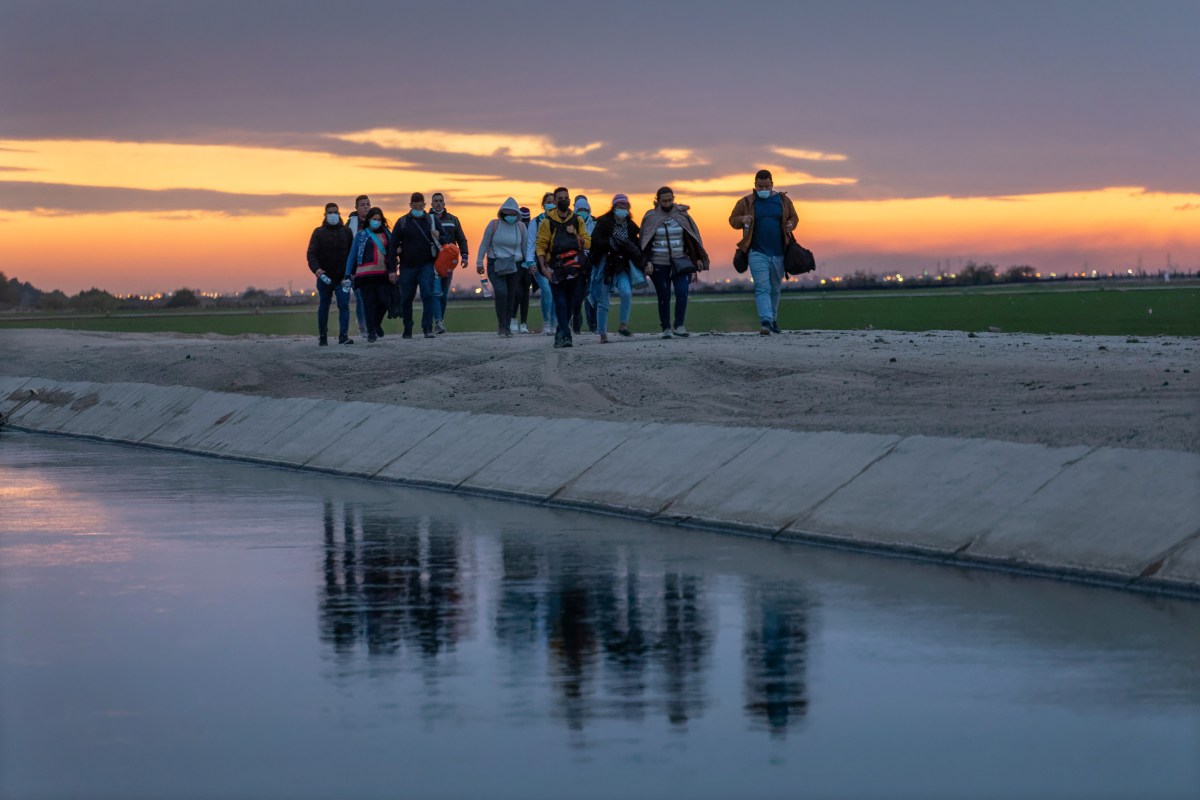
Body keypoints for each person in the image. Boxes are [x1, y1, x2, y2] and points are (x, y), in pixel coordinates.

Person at [728, 169, 799, 334]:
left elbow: (794, 218)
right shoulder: (746, 202)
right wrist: (742, 219)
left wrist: (790, 224)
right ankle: (765, 321)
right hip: (756, 251)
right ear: (755, 185)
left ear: (772, 184)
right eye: (760, 186)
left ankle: (773, 319)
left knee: (775, 288)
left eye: (766, 186)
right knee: (762, 286)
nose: (763, 189)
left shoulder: (783, 200)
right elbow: (732, 220)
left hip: (779, 252)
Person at [640, 186, 708, 339]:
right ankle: (666, 328)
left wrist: (697, 258)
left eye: (670, 200)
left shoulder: (682, 215)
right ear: (657, 201)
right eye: (664, 201)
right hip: (658, 263)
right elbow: (644, 242)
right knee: (663, 296)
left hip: (681, 262)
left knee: (682, 293)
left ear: (673, 199)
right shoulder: (650, 217)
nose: (667, 203)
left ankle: (680, 325)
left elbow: (692, 238)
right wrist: (646, 262)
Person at [535, 186, 591, 348]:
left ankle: (561, 331)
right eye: (560, 198)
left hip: (576, 268)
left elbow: (587, 242)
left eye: (566, 197)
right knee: (560, 302)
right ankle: (566, 336)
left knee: (573, 303)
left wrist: (575, 234)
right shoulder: (547, 222)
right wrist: (543, 268)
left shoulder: (577, 221)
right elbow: (541, 246)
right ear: (555, 201)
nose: (563, 201)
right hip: (556, 268)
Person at [587, 194, 642, 343]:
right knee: (603, 301)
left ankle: (623, 325)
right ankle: (602, 334)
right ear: (614, 207)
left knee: (626, 292)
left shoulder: (630, 226)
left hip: (622, 265)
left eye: (625, 205)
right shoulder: (603, 222)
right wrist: (611, 243)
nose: (622, 208)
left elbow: (637, 246)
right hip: (605, 265)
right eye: (619, 205)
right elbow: (595, 241)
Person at [387, 192, 441, 339]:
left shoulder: (432, 220)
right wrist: (392, 269)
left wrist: (438, 235)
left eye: (420, 205)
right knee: (406, 298)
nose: (418, 207)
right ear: (410, 205)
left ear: (424, 205)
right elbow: (392, 247)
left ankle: (427, 328)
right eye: (415, 205)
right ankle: (408, 327)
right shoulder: (402, 222)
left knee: (428, 295)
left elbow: (446, 239)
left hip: (426, 265)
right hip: (407, 267)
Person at [476, 197, 528, 337]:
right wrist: (479, 262)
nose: (510, 216)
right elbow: (484, 244)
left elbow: (525, 247)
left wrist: (529, 263)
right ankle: (502, 325)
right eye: (507, 213)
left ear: (517, 214)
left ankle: (507, 327)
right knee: (501, 292)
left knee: (511, 295)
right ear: (502, 212)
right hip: (496, 263)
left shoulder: (521, 227)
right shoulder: (494, 225)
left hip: (515, 265)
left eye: (513, 214)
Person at [306, 202, 355, 346]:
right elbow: (311, 254)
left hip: (342, 278)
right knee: (324, 306)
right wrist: (316, 269)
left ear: (339, 213)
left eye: (336, 212)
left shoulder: (346, 232)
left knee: (344, 306)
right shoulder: (318, 232)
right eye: (330, 212)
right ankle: (323, 337)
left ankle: (343, 336)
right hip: (324, 277)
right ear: (325, 214)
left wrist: (351, 273)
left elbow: (352, 254)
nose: (333, 215)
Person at [345, 206, 395, 343]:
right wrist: (347, 273)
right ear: (369, 220)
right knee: (369, 304)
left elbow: (392, 252)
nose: (376, 221)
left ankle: (376, 323)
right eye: (374, 219)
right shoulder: (361, 235)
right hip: (365, 275)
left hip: (383, 274)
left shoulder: (387, 234)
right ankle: (371, 333)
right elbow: (352, 255)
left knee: (385, 301)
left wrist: (393, 270)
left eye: (379, 219)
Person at [429, 192, 469, 334]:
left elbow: (461, 238)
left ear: (444, 204)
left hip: (448, 263)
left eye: (440, 201)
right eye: (436, 201)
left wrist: (465, 255)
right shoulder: (427, 219)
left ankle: (441, 319)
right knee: (436, 293)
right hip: (432, 261)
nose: (438, 203)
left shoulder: (453, 219)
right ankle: (438, 321)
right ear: (431, 204)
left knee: (444, 294)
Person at [524, 192, 558, 335]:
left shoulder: (562, 220)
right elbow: (530, 243)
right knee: (547, 290)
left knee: (556, 293)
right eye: (548, 202)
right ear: (543, 205)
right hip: (539, 262)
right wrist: (530, 262)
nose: (551, 204)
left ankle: (556, 324)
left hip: (556, 262)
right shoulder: (535, 222)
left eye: (553, 202)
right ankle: (547, 323)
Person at [345, 194, 373, 338]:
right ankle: (363, 327)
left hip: (373, 267)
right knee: (361, 298)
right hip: (357, 269)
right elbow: (345, 246)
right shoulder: (351, 224)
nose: (366, 207)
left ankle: (372, 325)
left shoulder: (375, 222)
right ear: (356, 207)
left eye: (368, 204)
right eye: (362, 205)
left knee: (373, 298)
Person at [572, 195, 596, 334]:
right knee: (577, 295)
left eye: (585, 209)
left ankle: (593, 325)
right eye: (580, 209)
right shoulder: (570, 224)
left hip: (592, 264)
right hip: (576, 264)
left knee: (592, 295)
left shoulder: (595, 223)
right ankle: (577, 323)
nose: (583, 212)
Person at [508, 206, 533, 333]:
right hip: (515, 263)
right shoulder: (514, 228)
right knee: (517, 293)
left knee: (525, 296)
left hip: (527, 264)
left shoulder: (531, 227)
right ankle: (513, 319)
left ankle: (523, 323)